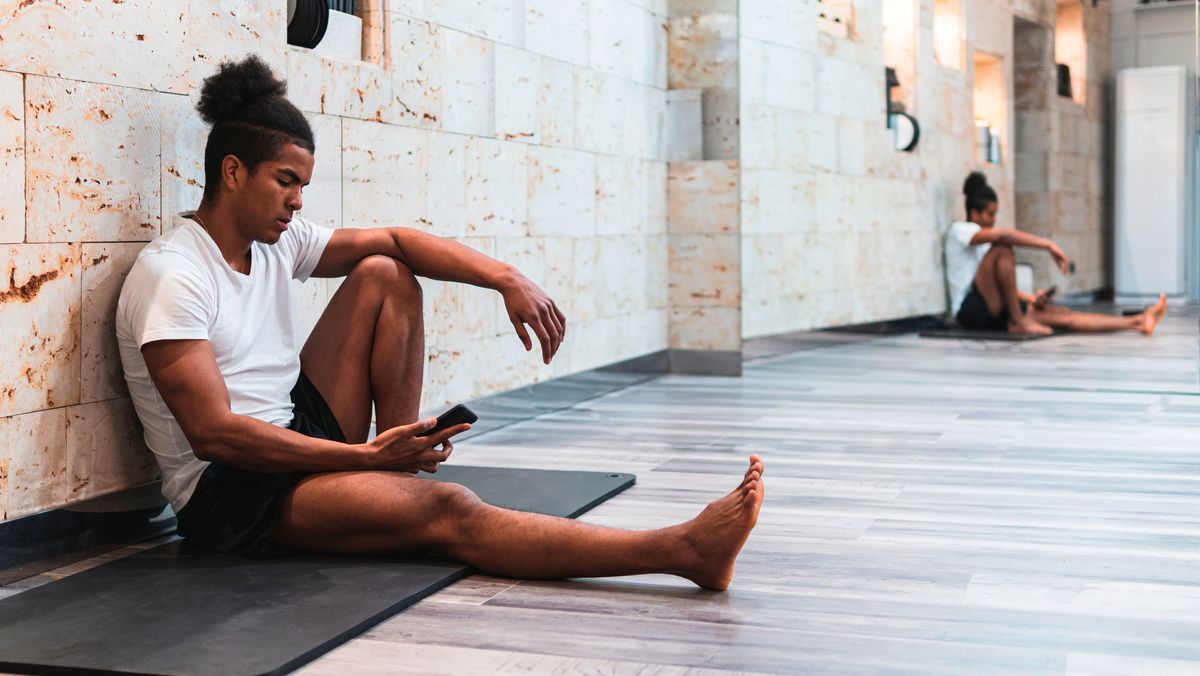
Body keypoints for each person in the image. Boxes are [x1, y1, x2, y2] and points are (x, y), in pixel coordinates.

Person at [115, 56, 762, 591]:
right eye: (286, 182)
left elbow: (397, 239)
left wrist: (507, 279)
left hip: (292, 426)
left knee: (384, 272)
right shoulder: (175, 275)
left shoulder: (273, 242)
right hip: (231, 490)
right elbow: (215, 436)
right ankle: (683, 550)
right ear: (233, 172)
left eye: (303, 186)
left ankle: (393, 478)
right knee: (452, 511)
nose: (297, 202)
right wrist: (360, 455)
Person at [945, 172, 1167, 336]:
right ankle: (1017, 320)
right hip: (970, 310)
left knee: (1061, 315)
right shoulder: (960, 231)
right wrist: (1047, 245)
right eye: (989, 214)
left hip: (995, 306)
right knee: (1004, 247)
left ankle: (1138, 321)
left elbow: (1002, 286)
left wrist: (1031, 298)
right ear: (974, 213)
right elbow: (1004, 237)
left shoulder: (985, 243)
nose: (993, 220)